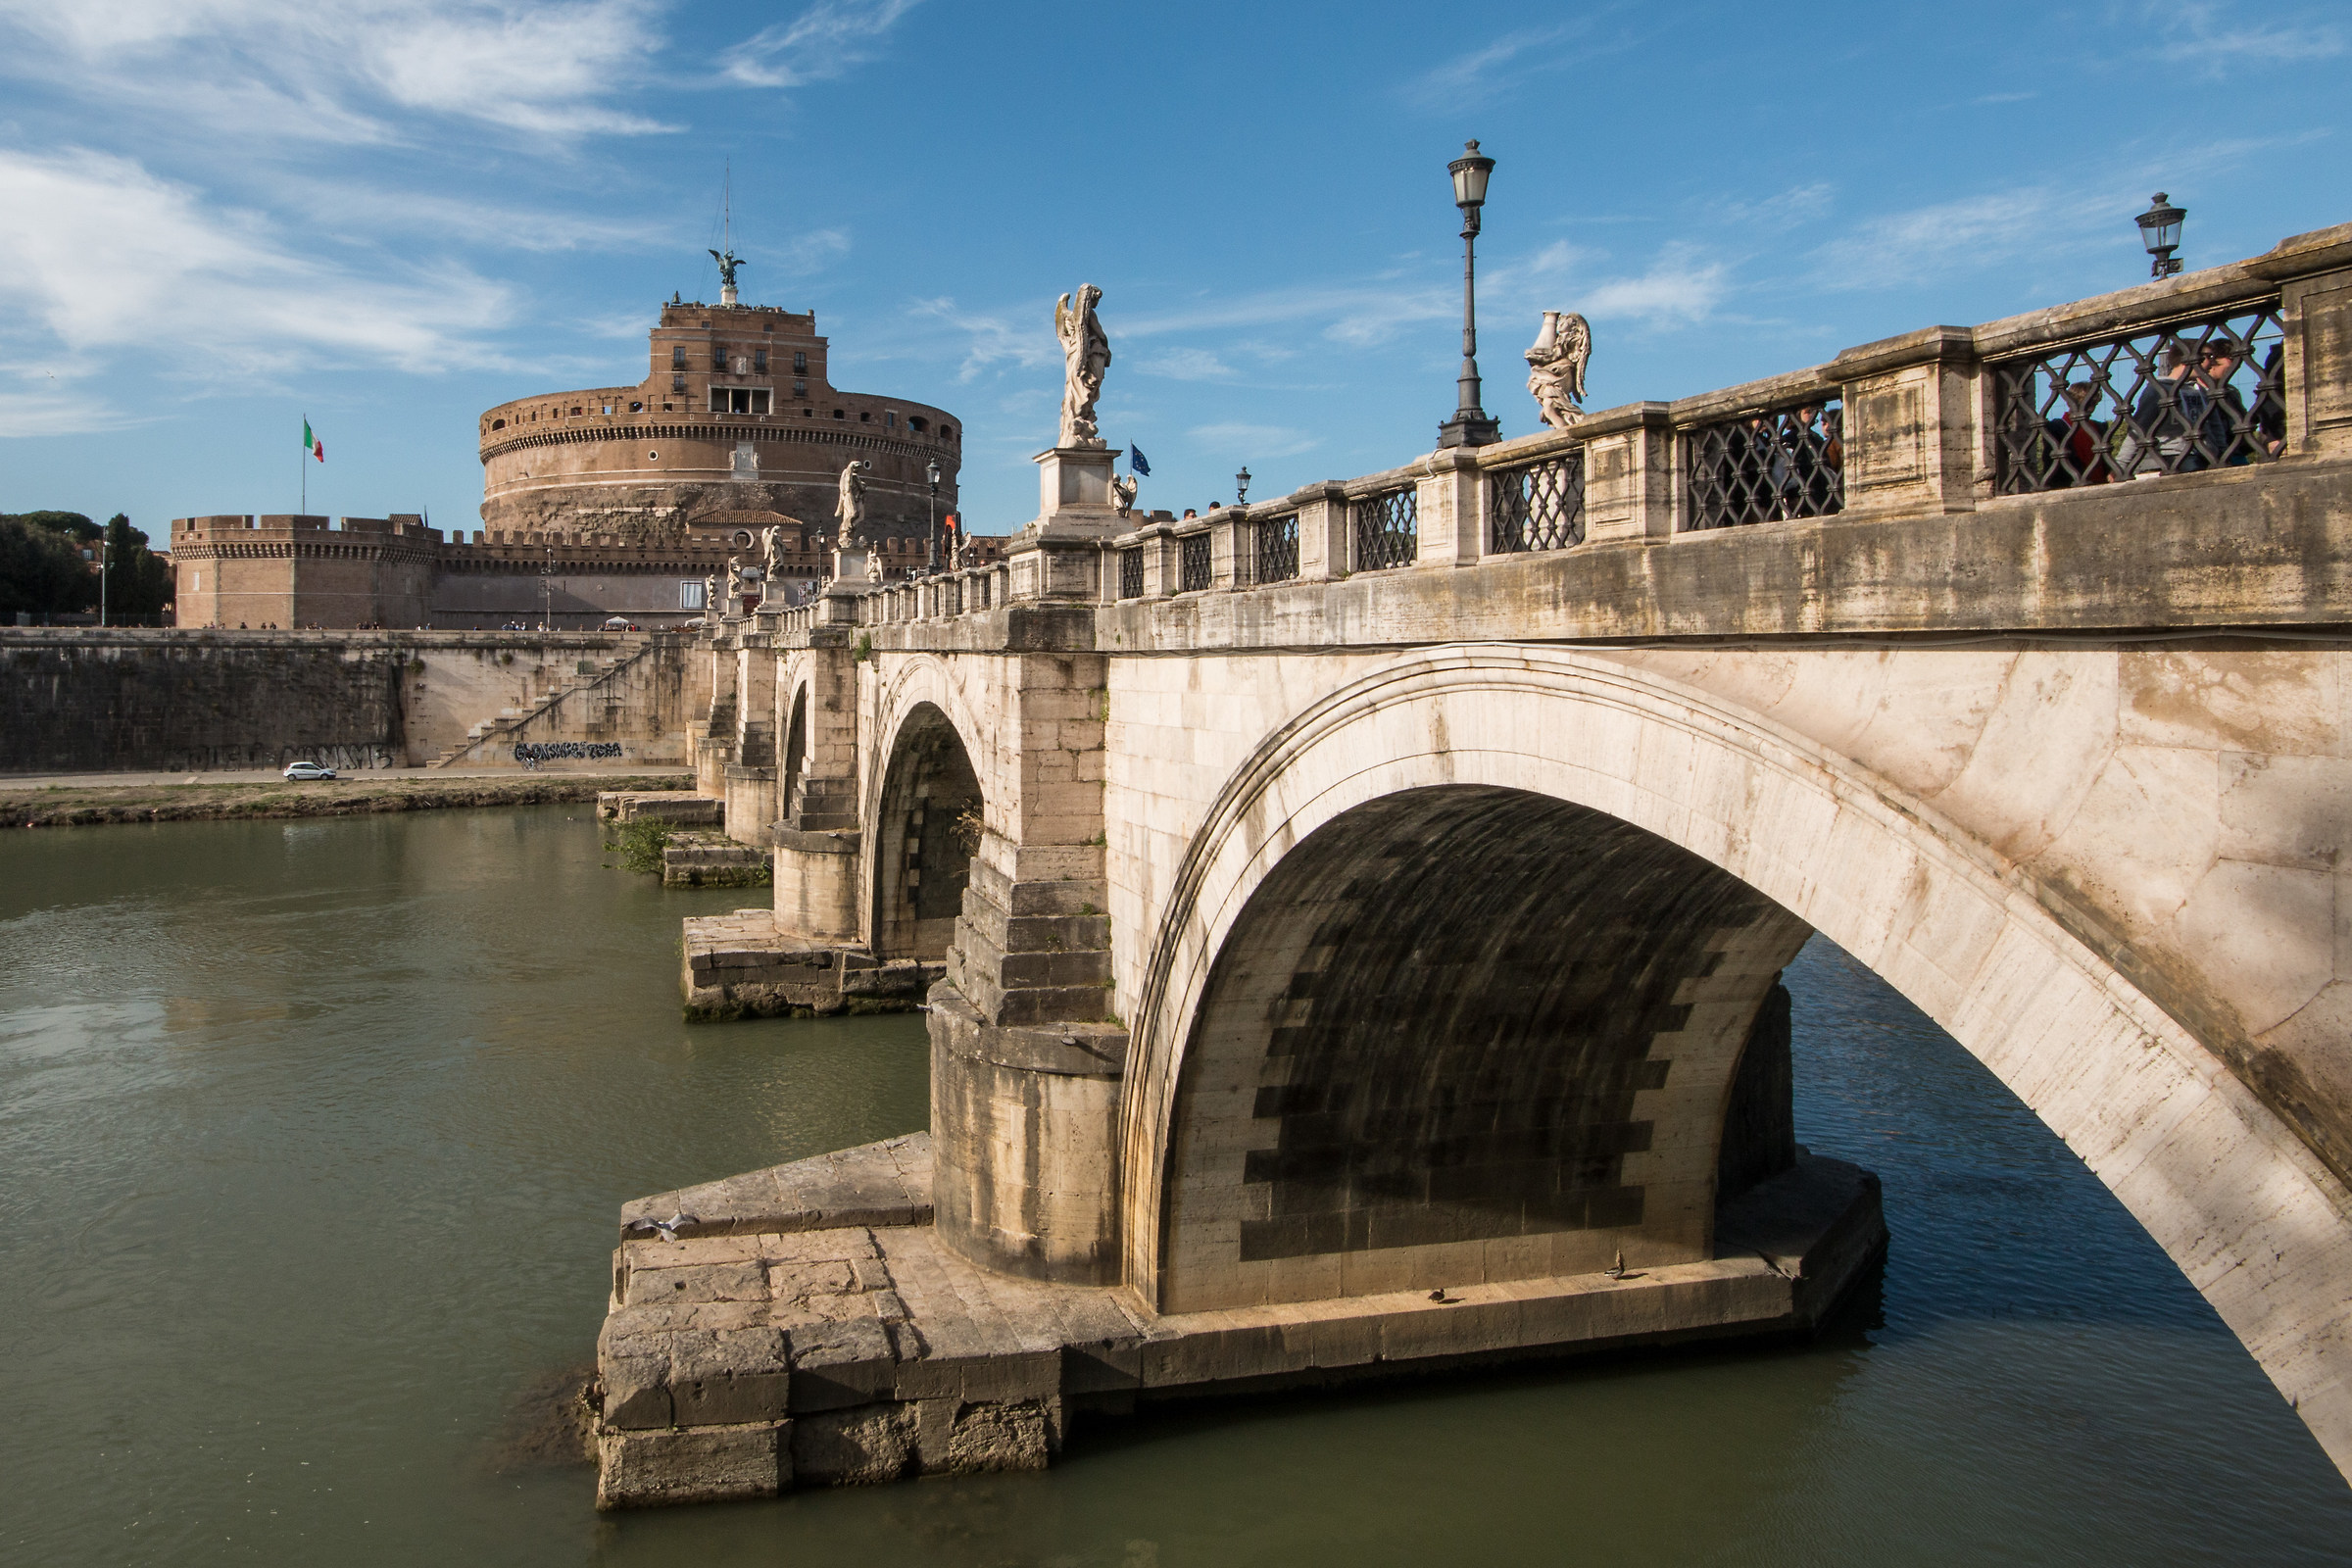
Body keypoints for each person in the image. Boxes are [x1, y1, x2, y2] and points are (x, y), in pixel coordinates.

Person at [2043, 381, 2113, 487]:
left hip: (2100, 484)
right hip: (2071, 486)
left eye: (2094, 404)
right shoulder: (2057, 428)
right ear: (2070, 403)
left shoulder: (2099, 428)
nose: (2090, 409)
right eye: (2085, 403)